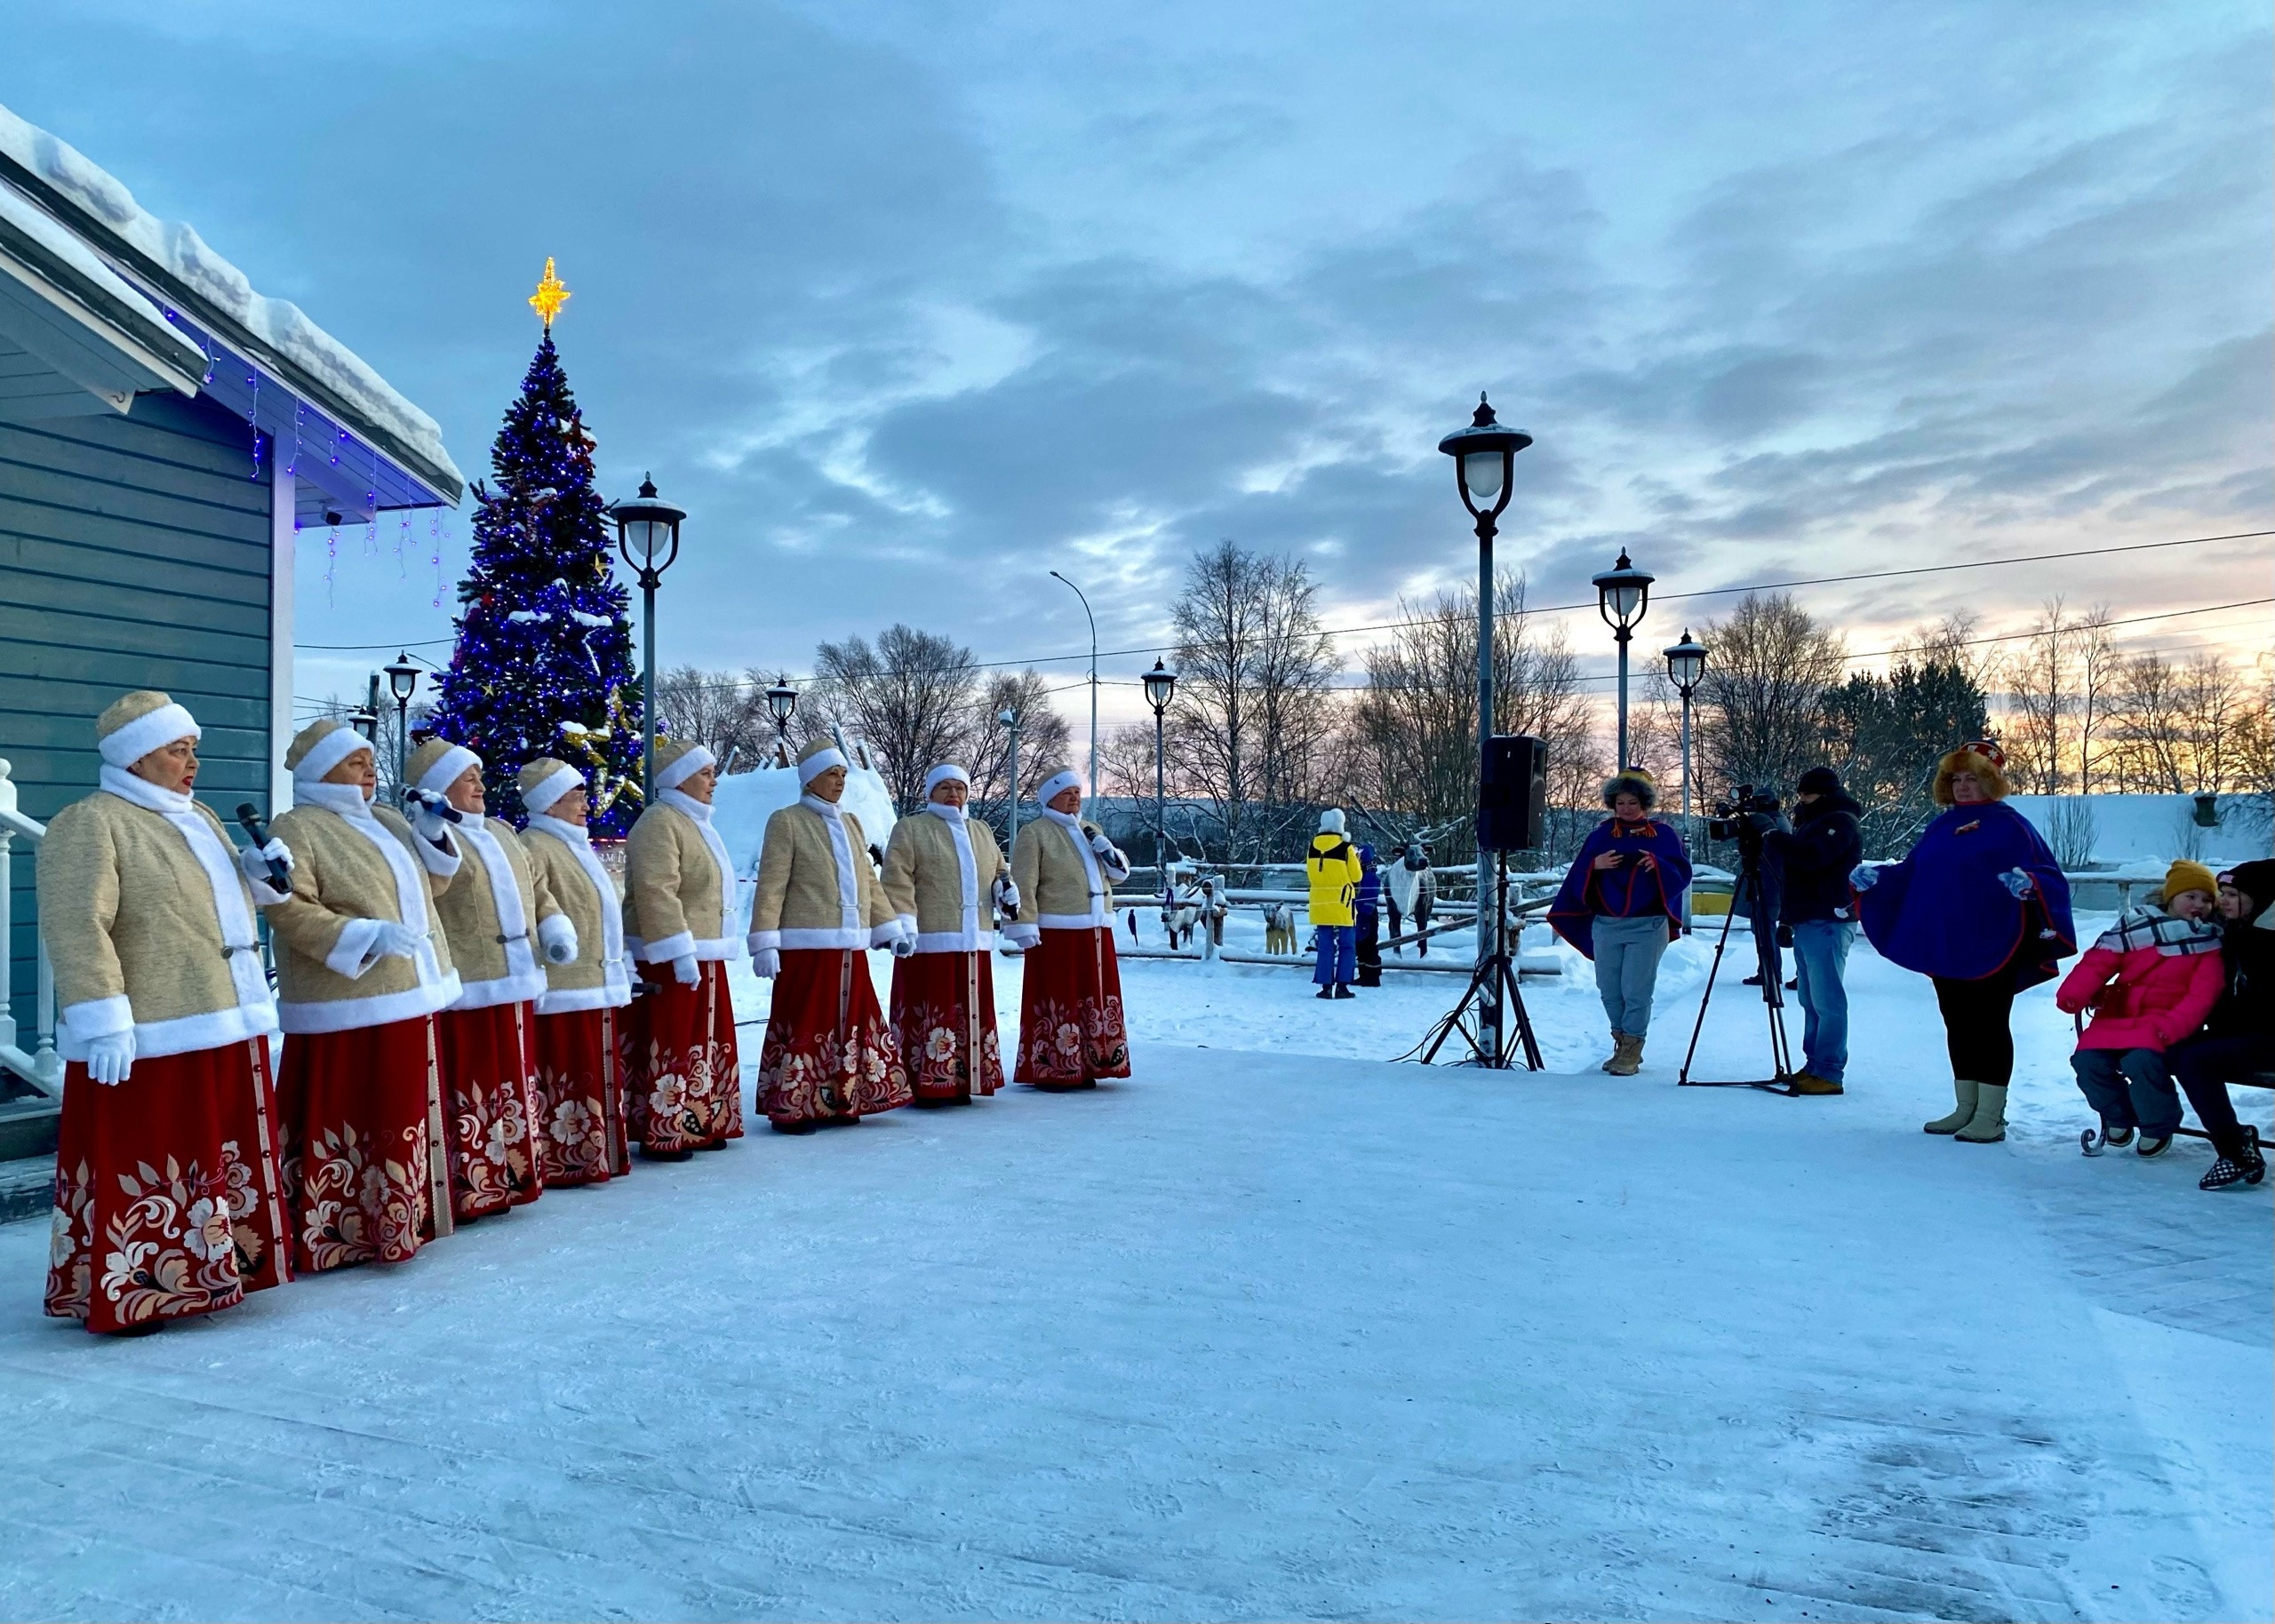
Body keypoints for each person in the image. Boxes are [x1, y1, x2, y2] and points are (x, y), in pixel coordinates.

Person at [38, 691, 294, 1334]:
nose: (192, 763)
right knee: (152, 1150)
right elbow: (76, 924)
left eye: (193, 750)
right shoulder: (92, 821)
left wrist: (258, 874)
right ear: (136, 757)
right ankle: (140, 1292)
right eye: (177, 750)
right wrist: (101, 1016)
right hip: (149, 1027)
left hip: (219, 1012)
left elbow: (213, 904)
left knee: (213, 1150)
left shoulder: (199, 816)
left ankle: (219, 1270)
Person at [267, 719, 464, 1271]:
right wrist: (363, 936)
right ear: (320, 770)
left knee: (400, 1105)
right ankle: (343, 1227)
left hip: (408, 985)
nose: (370, 769)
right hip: (350, 993)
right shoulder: (299, 826)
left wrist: (429, 834)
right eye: (356, 761)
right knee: (358, 1106)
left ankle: (400, 1217)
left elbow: (435, 887)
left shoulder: (385, 819)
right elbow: (285, 906)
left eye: (370, 760)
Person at [1855, 739, 2073, 1144]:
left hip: (1994, 941)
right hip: (1946, 943)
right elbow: (1913, 873)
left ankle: (1991, 1116)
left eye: (1972, 778)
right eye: (1956, 779)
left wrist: (2029, 884)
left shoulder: (2012, 826)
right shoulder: (1940, 826)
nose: (1963, 787)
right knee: (1957, 1023)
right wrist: (1876, 879)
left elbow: (2048, 875)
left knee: (1988, 1024)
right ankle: (1966, 1107)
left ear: (1991, 781)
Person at [408, 739, 571, 1218]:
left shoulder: (501, 831)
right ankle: (473, 1184)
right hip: (470, 984)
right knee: (474, 1084)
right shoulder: (429, 833)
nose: (480, 784)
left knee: (512, 1081)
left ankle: (511, 1177)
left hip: (516, 976)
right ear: (440, 785)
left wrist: (554, 926)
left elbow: (537, 890)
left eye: (480, 775)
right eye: (468, 777)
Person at [747, 739, 910, 1132]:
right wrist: (765, 941)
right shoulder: (786, 821)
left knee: (852, 1021)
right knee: (807, 1021)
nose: (838, 782)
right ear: (809, 780)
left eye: (841, 775)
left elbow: (868, 880)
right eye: (830, 775)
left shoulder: (851, 822)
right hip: (807, 946)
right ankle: (795, 1105)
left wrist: (889, 927)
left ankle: (844, 1098)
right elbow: (772, 885)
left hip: (850, 946)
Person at [622, 738, 746, 1157]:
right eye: (705, 774)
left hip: (702, 953)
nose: (714, 782)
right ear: (680, 779)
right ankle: (668, 1127)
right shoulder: (660, 822)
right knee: (675, 1037)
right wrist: (677, 949)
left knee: (705, 1040)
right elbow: (657, 890)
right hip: (671, 958)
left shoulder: (695, 822)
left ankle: (703, 1117)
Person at [2057, 859, 2224, 1158]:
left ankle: (2158, 1125)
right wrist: (2074, 993)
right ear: (2171, 897)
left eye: (2207, 899)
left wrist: (2171, 1027)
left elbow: (2202, 995)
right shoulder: (2136, 927)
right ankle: (2118, 1116)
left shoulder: (2208, 943)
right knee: (2087, 1061)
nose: (2199, 904)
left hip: (2164, 1022)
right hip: (2119, 1016)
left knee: (2141, 1061)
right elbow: (2099, 961)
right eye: (2191, 896)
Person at [518, 757, 635, 1184]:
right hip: (564, 984)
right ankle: (565, 1157)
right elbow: (534, 910)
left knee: (595, 1066)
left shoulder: (573, 843)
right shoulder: (535, 846)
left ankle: (597, 1152)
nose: (585, 804)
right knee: (568, 1071)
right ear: (550, 803)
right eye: (575, 796)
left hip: (594, 978)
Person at [881, 763, 1014, 1106]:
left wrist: (1004, 889)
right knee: (932, 1008)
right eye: (945, 788)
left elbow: (999, 871)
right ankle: (927, 1082)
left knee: (968, 1009)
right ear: (930, 793)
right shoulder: (911, 828)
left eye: (959, 788)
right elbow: (897, 880)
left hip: (974, 940)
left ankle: (962, 1079)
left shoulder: (981, 830)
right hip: (929, 941)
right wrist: (905, 925)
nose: (953, 794)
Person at [1548, 768, 1693, 1076]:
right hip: (1606, 924)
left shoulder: (1663, 835)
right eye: (1620, 803)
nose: (1626, 809)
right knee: (1609, 989)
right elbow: (1577, 875)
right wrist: (1594, 864)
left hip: (1648, 925)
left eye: (1632, 803)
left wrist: (1659, 865)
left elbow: (1682, 874)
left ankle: (1632, 1048)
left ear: (1645, 804)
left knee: (1636, 989)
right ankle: (1620, 1038)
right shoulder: (1601, 835)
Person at [1004, 769, 1133, 1089]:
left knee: (1094, 995)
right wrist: (1024, 924)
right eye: (1067, 793)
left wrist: (1108, 851)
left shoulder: (1091, 830)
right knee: (1060, 996)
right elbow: (1024, 883)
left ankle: (1092, 1062)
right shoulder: (1035, 833)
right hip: (1057, 933)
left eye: (1077, 792)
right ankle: (1055, 1067)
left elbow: (1117, 876)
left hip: (1095, 929)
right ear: (1050, 797)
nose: (1075, 798)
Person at [2167, 859, 2274, 1190]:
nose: (2222, 900)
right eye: (2222, 893)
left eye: (2232, 893)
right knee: (2174, 1049)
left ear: (2260, 898)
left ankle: (2235, 1151)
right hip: (2247, 1033)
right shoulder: (2238, 931)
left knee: (2197, 1059)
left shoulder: (2265, 938)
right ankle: (2236, 1141)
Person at [1761, 766, 1864, 1095]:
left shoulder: (1839, 822)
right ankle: (1815, 1065)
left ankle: (1829, 1070)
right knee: (1810, 998)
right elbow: (1801, 871)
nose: (1802, 797)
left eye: (1808, 792)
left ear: (1825, 793)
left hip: (1828, 919)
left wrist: (1777, 838)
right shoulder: (1814, 821)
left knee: (1827, 998)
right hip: (1810, 917)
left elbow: (1812, 859)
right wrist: (1788, 919)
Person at [1305, 809, 1363, 1000]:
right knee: (1347, 945)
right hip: (1343, 903)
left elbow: (1310, 875)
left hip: (1320, 902)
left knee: (1325, 946)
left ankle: (1325, 986)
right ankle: (1343, 986)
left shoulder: (1312, 846)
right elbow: (1356, 876)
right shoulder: (1346, 847)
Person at [1385, 842, 1437, 956]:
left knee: (1422, 922)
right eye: (1412, 854)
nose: (1421, 857)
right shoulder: (1390, 877)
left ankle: (1423, 952)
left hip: (1418, 891)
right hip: (1398, 890)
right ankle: (1396, 952)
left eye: (1423, 853)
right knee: (1394, 921)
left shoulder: (1426, 878)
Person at [1354, 843, 1384, 989]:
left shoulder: (1369, 875)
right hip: (1360, 913)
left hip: (1367, 913)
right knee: (1361, 945)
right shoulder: (1362, 872)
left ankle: (1373, 976)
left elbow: (1371, 894)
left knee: (1369, 945)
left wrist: (1366, 911)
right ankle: (1364, 974)